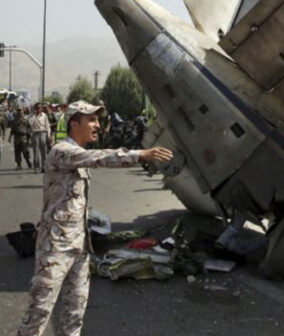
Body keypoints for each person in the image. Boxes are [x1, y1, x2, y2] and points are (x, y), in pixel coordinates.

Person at [15, 100, 173, 336]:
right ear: (74, 124)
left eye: (97, 120)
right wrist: (140, 154)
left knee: (75, 311)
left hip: (79, 245)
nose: (98, 125)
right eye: (92, 120)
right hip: (56, 247)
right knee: (39, 312)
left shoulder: (77, 155)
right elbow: (100, 157)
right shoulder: (62, 151)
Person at [31, 103, 51, 172]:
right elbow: (30, 123)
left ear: (41, 109)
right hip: (35, 134)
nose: (38, 109)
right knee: (36, 151)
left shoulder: (44, 115)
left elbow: (47, 125)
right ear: (35, 109)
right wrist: (34, 115)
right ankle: (37, 167)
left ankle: (43, 166)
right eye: (37, 108)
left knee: (44, 151)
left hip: (43, 133)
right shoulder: (32, 116)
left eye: (39, 108)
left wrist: (48, 135)